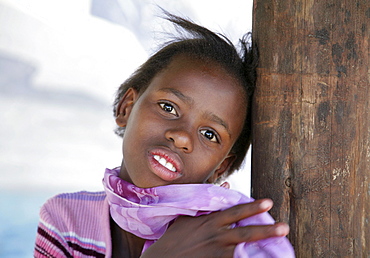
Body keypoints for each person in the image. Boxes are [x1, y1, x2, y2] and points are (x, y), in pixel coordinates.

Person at [34, 12, 295, 258]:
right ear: (127, 108)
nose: (181, 137)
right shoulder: (66, 220)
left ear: (221, 167)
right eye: (168, 107)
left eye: (209, 134)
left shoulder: (226, 244)